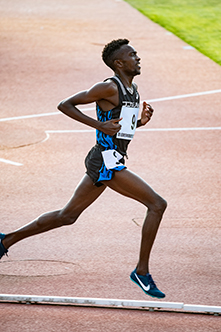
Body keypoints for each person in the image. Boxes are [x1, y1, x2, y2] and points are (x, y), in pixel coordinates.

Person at [0, 39, 167, 298]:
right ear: (119, 63)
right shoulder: (107, 88)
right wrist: (98, 126)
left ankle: (5, 240)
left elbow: (120, 127)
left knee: (68, 216)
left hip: (109, 158)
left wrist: (141, 122)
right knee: (157, 204)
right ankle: (141, 272)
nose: (138, 58)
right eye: (132, 55)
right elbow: (65, 104)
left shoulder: (132, 89)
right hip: (105, 162)